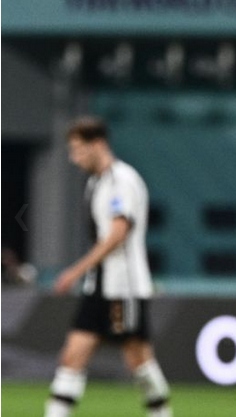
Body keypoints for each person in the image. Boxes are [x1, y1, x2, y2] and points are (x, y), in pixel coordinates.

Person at [44, 116, 172, 417]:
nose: (74, 158)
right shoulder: (96, 183)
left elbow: (117, 234)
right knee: (72, 356)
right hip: (98, 284)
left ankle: (162, 413)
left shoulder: (122, 180)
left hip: (122, 286)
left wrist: (74, 271)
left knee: (138, 361)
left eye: (78, 149)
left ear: (97, 144)